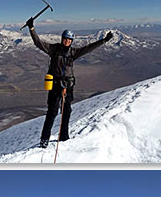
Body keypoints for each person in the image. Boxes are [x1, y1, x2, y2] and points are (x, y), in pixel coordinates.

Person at [26, 19, 113, 147]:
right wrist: (31, 28)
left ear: (71, 41)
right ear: (62, 39)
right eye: (65, 39)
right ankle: (44, 139)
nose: (67, 41)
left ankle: (64, 137)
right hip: (55, 86)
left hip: (68, 86)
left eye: (69, 40)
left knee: (66, 112)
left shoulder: (73, 52)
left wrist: (104, 40)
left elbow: (88, 48)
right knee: (52, 112)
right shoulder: (53, 49)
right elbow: (38, 43)